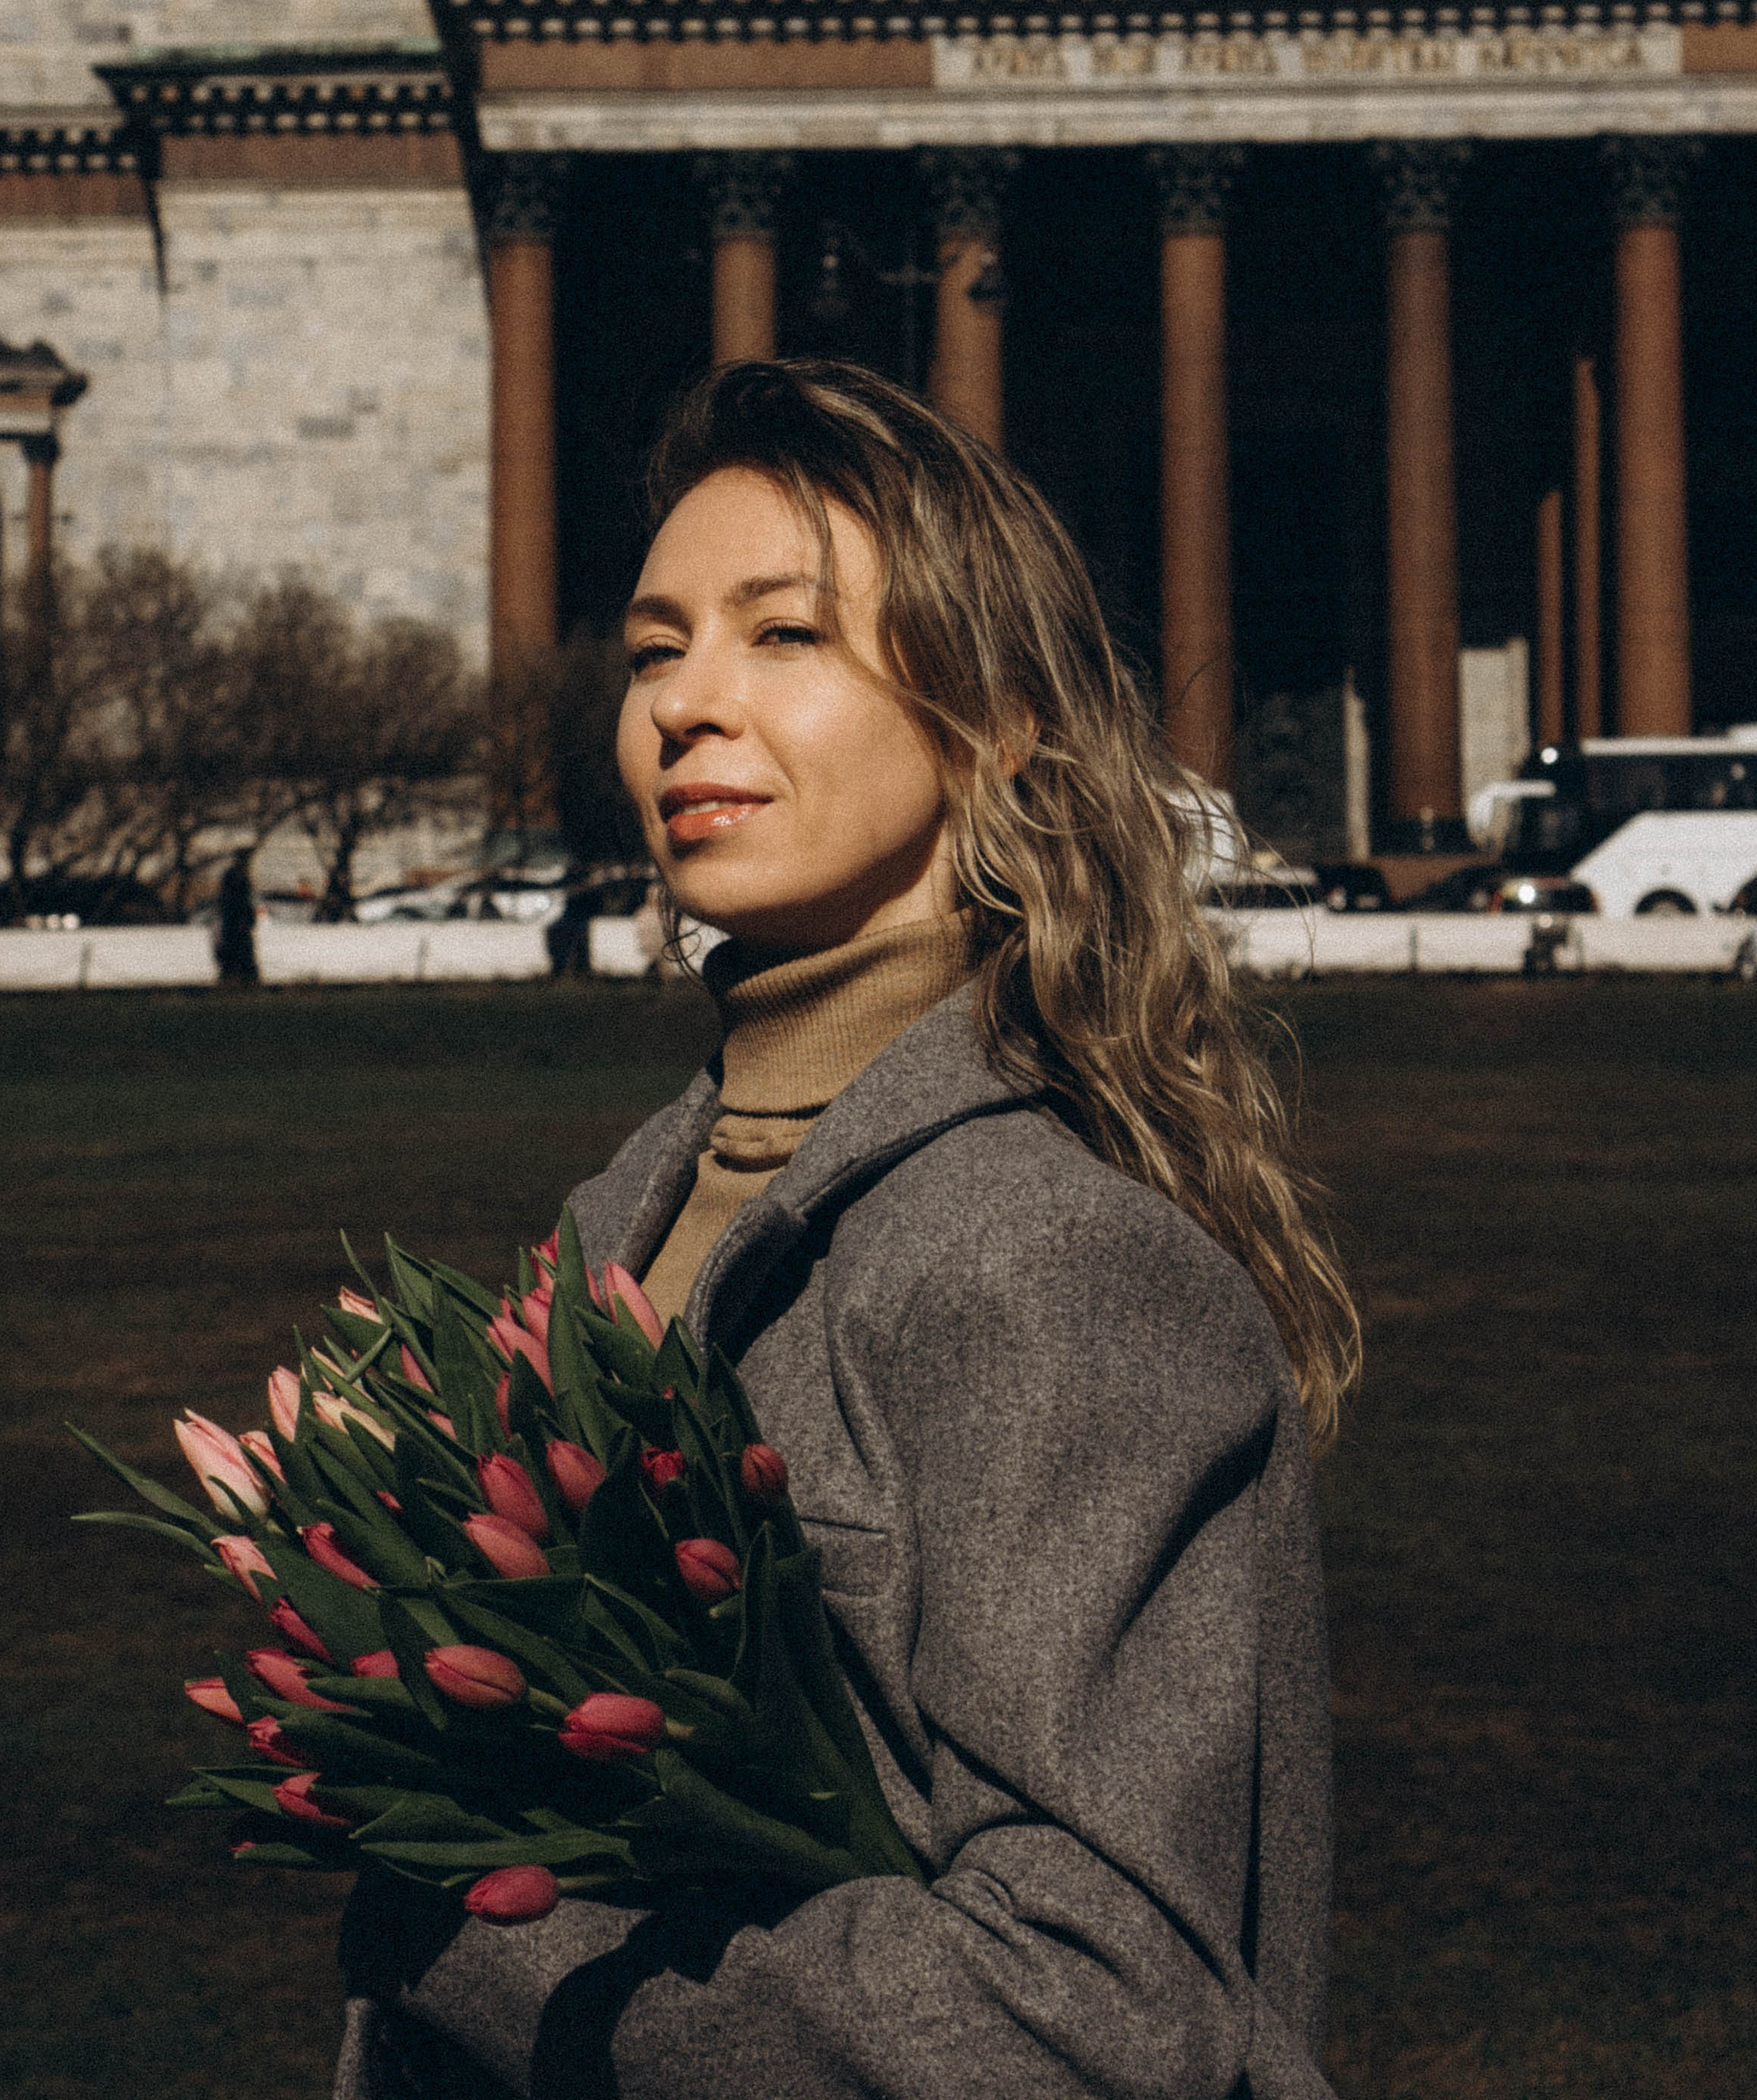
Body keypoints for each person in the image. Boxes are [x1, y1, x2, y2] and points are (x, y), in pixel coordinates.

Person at [337, 360, 1358, 2100]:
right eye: (654, 646)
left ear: (993, 722)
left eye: (781, 636)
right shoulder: (620, 1208)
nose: (682, 703)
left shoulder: (1046, 1263)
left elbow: (1085, 2015)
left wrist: (484, 1942)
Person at [215, 851, 260, 988]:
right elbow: (240, 901)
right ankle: (241, 978)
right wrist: (245, 918)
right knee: (239, 950)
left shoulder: (235, 876)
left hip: (234, 921)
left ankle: (237, 977)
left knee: (238, 951)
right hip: (235, 921)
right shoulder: (237, 877)